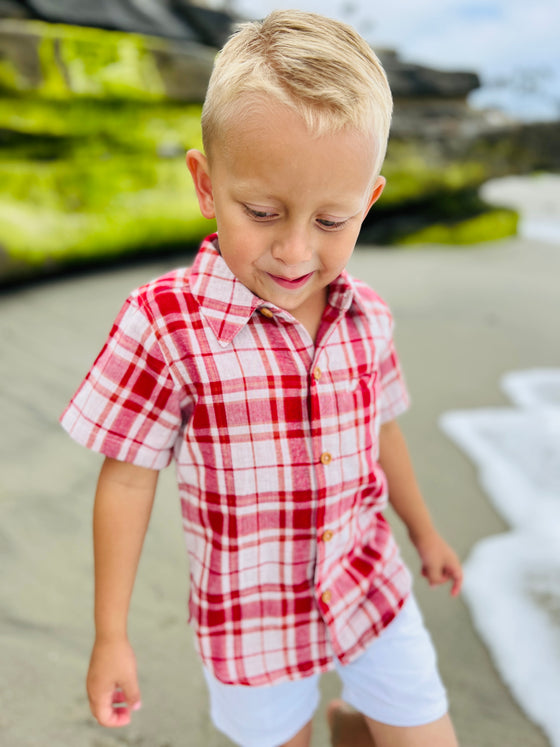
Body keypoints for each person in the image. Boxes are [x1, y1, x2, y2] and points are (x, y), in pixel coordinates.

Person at [60, 10, 463, 747]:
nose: (294, 249)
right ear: (206, 184)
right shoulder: (166, 324)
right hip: (251, 624)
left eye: (332, 219)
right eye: (264, 211)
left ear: (368, 203)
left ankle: (355, 722)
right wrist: (109, 634)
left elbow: (384, 428)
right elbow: (125, 479)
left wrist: (425, 529)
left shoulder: (365, 316)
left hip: (370, 586)